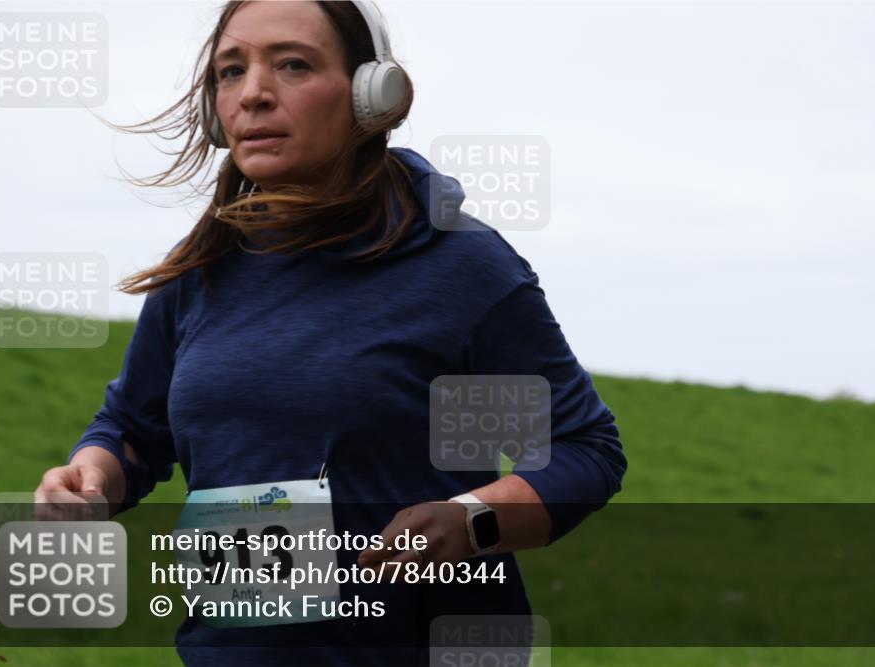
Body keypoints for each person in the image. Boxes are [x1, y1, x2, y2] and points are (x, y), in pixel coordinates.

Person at [34, 1, 627, 665]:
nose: (254, 93)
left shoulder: (461, 264)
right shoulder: (200, 270)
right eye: (231, 72)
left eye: (292, 64)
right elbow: (134, 432)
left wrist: (472, 518)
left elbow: (585, 449)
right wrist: (91, 477)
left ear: (374, 94)